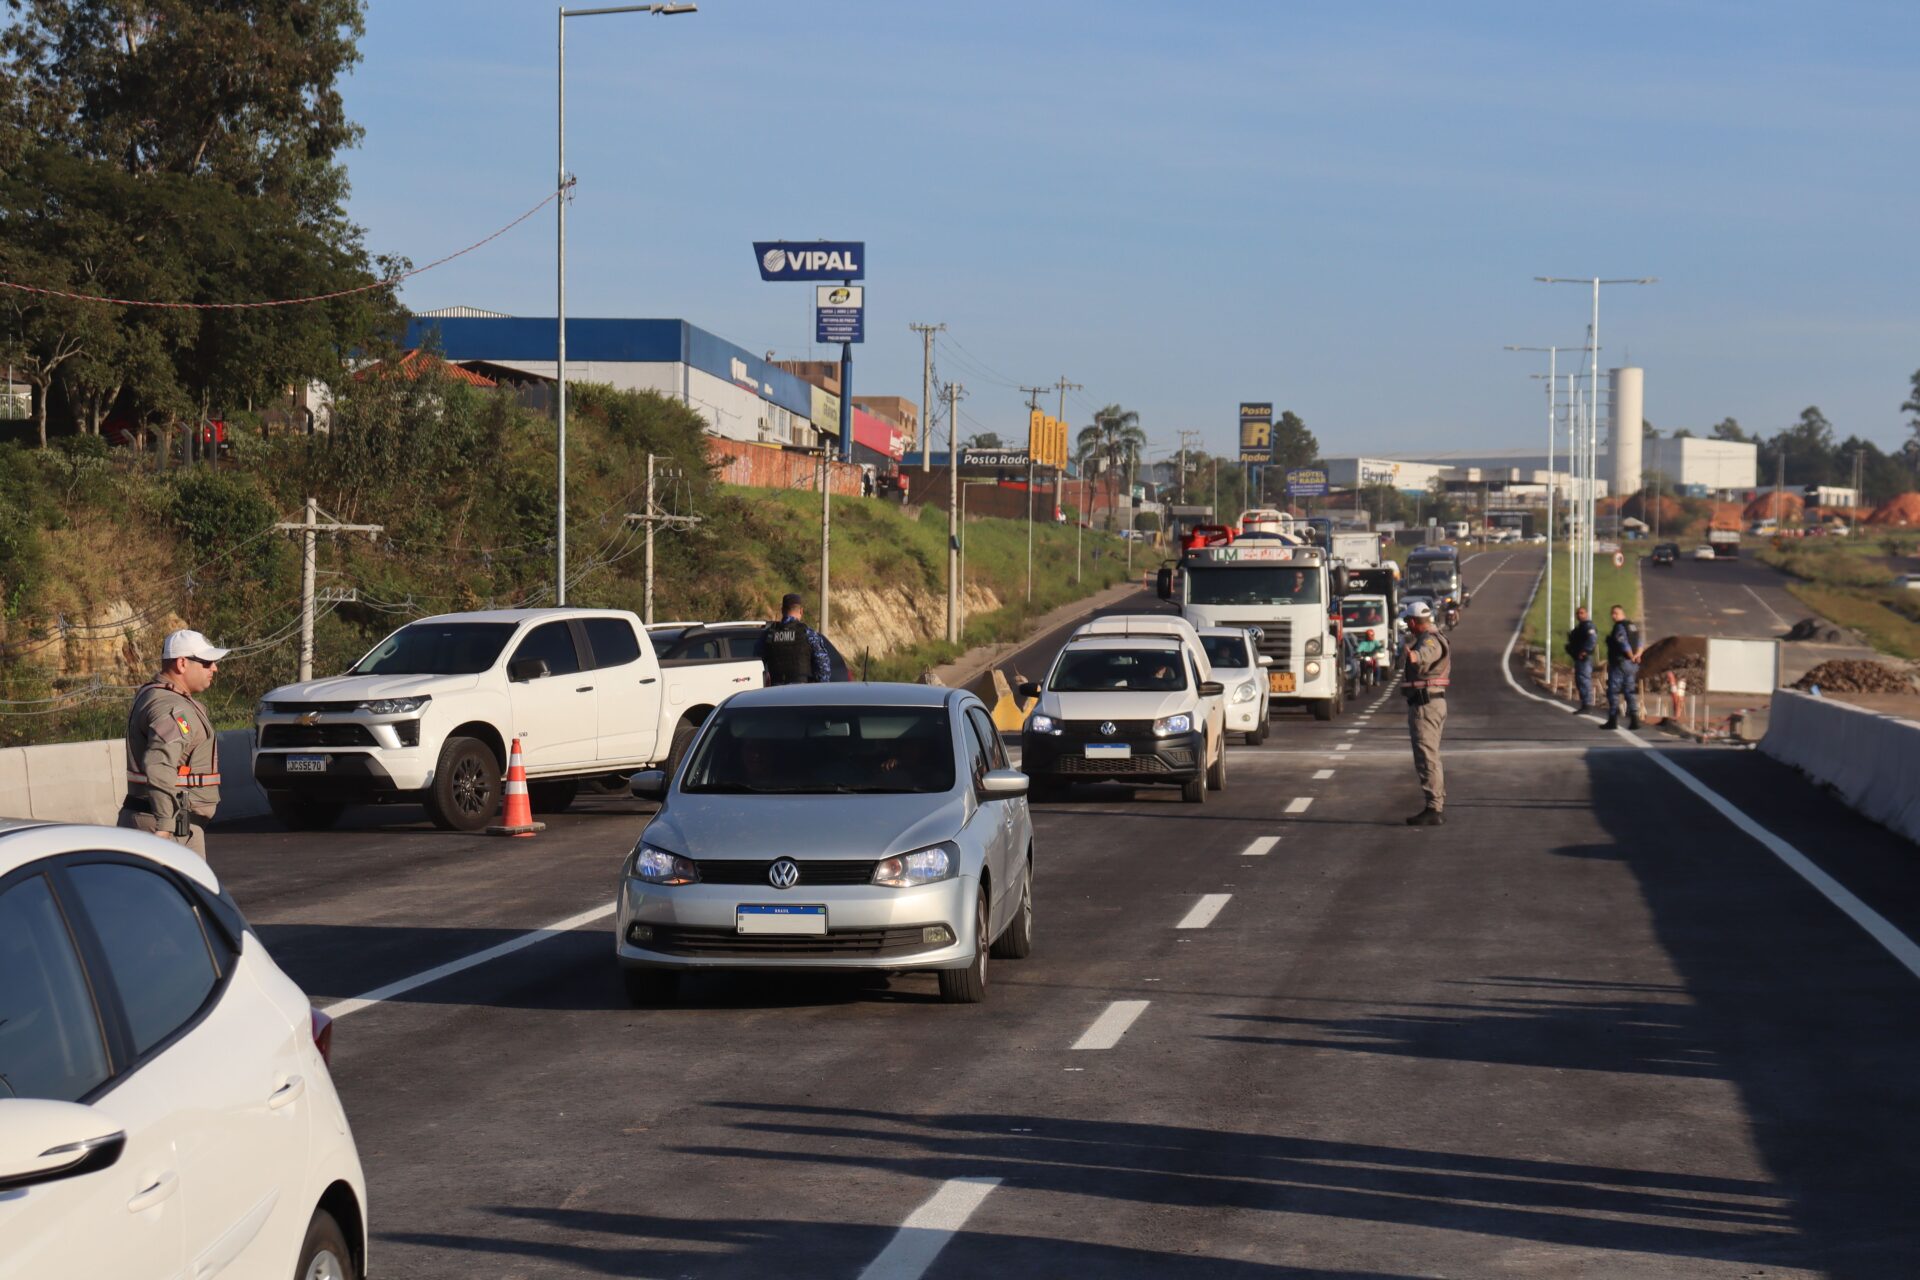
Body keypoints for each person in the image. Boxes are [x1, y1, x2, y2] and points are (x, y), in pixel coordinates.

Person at [118, 628, 228, 856]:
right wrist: (165, 827)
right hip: (168, 829)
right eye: (207, 663)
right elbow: (159, 764)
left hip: (168, 824)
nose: (214, 668)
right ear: (182, 664)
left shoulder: (161, 697)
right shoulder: (172, 709)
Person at [1400, 601, 1451, 827]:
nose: (1407, 626)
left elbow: (1425, 655)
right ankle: (1435, 804)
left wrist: (1413, 656)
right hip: (1428, 703)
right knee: (1429, 755)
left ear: (1413, 621)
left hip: (1426, 706)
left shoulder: (1429, 639)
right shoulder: (1430, 636)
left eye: (1407, 622)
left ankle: (1434, 807)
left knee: (1427, 756)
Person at [763, 593, 831, 686]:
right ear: (801, 611)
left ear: (782, 610)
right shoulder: (808, 633)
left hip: (776, 692)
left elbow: (758, 662)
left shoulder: (769, 634)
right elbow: (823, 667)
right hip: (801, 693)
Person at [1600, 603, 1644, 731]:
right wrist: (1637, 656)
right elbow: (1640, 642)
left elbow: (1623, 644)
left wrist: (1631, 656)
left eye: (1615, 613)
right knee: (1629, 691)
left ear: (1620, 613)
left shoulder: (1619, 627)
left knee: (1613, 691)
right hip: (1633, 664)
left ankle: (1613, 719)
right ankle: (1634, 719)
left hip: (1621, 663)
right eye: (1612, 613)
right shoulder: (1633, 626)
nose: (1613, 616)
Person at [1566, 605, 1598, 713]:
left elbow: (1592, 639)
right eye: (1578, 613)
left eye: (1582, 613)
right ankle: (1585, 704)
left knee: (1584, 680)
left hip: (1584, 658)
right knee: (1580, 681)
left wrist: (1584, 651)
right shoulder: (1580, 627)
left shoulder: (1588, 626)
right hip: (1579, 658)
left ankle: (1587, 705)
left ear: (1587, 614)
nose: (1580, 615)